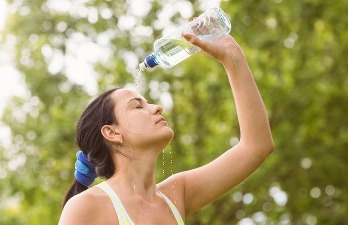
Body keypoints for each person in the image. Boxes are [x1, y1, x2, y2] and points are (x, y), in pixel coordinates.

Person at [58, 31, 274, 225]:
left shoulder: (176, 194)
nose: (157, 107)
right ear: (112, 133)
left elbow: (257, 146)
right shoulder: (87, 207)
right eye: (137, 106)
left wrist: (233, 58)